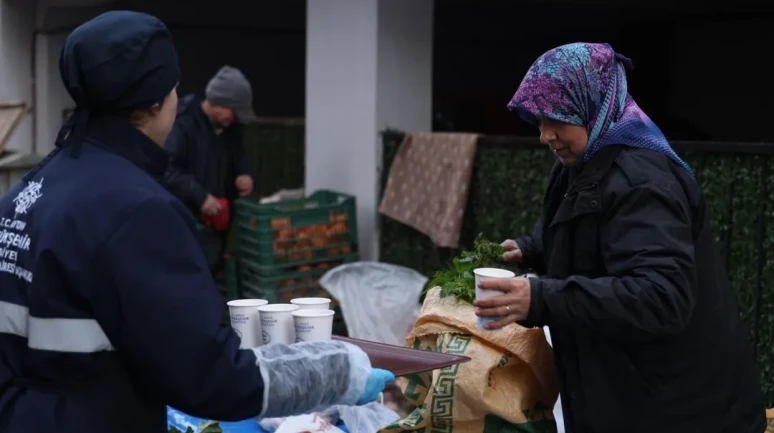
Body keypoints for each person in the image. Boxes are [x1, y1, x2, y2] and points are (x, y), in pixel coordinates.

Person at [0, 11, 393, 433]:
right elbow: (207, 373)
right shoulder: (137, 210)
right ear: (157, 101)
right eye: (173, 87)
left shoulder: (27, 191)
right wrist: (339, 373)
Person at [473, 42, 766, 433]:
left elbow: (660, 297)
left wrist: (540, 298)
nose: (544, 135)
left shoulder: (643, 180)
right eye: (539, 120)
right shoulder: (583, 161)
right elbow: (592, 231)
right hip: (631, 398)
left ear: (591, 105)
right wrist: (531, 249)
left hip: (680, 411)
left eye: (556, 118)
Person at [164, 65, 257, 270]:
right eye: (233, 112)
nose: (235, 118)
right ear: (218, 103)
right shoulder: (183, 122)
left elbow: (239, 155)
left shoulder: (231, 127)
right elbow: (168, 169)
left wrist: (244, 174)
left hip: (219, 226)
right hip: (188, 224)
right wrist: (201, 197)